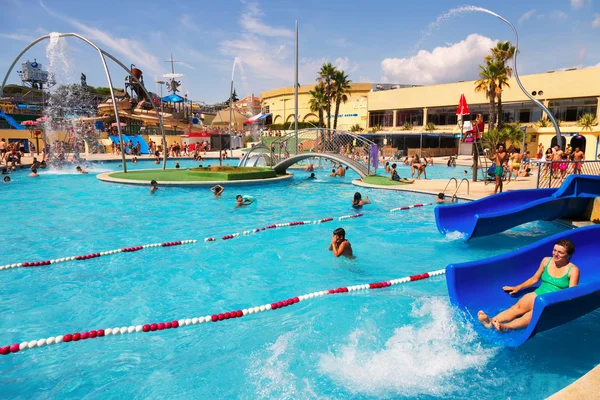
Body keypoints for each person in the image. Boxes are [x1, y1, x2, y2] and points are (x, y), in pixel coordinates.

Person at [478, 239, 579, 331]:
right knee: (516, 308)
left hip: (551, 300)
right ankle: (491, 321)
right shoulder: (546, 261)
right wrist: (518, 287)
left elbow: (571, 294)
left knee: (530, 316)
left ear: (568, 255)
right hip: (538, 293)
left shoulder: (573, 270)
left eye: (560, 252)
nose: (555, 254)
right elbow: (535, 279)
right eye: (554, 250)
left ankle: (505, 327)